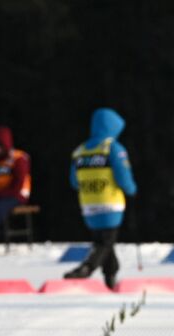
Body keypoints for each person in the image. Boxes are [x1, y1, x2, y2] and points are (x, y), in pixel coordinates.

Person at [64, 108, 138, 289]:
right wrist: (131, 189)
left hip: (88, 204)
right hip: (110, 203)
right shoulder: (113, 148)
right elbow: (123, 176)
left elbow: (74, 181)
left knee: (104, 240)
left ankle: (111, 276)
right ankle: (87, 268)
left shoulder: (80, 151)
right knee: (105, 241)